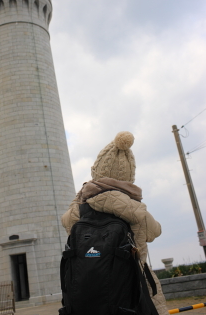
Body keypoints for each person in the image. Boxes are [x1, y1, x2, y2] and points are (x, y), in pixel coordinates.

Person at [61, 131, 168, 315]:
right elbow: (155, 231)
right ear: (129, 176)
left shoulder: (79, 210)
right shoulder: (136, 210)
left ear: (96, 171)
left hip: (86, 292)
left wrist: (83, 192)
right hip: (133, 288)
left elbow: (66, 222)